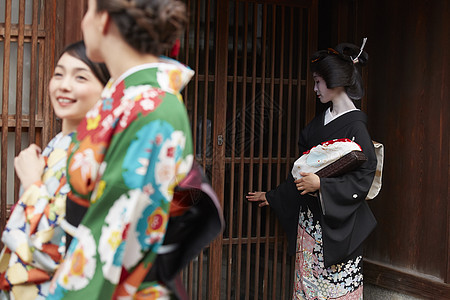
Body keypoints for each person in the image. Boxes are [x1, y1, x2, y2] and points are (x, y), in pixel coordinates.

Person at [47, 0, 223, 299]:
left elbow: (116, 232)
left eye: (89, 9)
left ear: (103, 20)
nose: (83, 21)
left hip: (112, 283)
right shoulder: (124, 99)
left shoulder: (153, 109)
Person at [247, 40, 377, 299]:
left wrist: (322, 186)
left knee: (338, 292)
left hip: (340, 228)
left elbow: (365, 174)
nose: (315, 88)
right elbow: (301, 170)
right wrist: (273, 196)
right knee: (306, 289)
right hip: (310, 224)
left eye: (318, 82)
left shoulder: (356, 128)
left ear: (336, 81)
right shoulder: (318, 123)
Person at [0, 41, 110, 300]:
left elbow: (57, 249)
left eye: (80, 77)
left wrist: (32, 184)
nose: (64, 85)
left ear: (107, 90)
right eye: (59, 74)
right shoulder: (57, 145)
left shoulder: (89, 157)